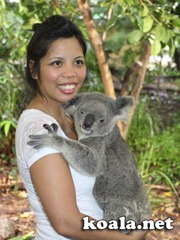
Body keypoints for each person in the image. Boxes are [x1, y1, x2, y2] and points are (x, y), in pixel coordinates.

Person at [15, 15, 147, 240]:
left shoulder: (72, 115)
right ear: (34, 70)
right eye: (57, 63)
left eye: (77, 62)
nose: (71, 73)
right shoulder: (39, 127)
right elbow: (66, 222)